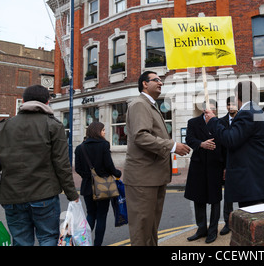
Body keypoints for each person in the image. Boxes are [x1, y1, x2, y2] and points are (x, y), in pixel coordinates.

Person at [0, 85, 79, 246]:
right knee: (47, 238)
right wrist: (72, 194)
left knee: (20, 241)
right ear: (47, 102)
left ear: (23, 101)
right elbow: (62, 164)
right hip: (44, 194)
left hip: (12, 197)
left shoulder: (1, 128)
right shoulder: (53, 126)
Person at [124, 71, 190, 246]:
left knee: (151, 228)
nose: (161, 83)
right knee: (142, 230)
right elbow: (141, 136)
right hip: (142, 179)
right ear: (145, 84)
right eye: (156, 80)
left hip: (154, 178)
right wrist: (173, 146)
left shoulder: (151, 105)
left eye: (161, 80)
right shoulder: (139, 104)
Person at [205, 81, 264, 208]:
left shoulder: (247, 113)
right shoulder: (258, 111)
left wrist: (213, 121)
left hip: (251, 184)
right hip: (258, 182)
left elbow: (231, 140)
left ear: (237, 95)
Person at [74, 121, 122, 246]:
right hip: (103, 187)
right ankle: (97, 244)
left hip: (87, 187)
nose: (105, 132)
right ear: (98, 131)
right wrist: (117, 173)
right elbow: (109, 165)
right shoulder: (104, 145)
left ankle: (84, 242)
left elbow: (78, 168)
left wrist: (88, 176)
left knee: (91, 214)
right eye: (103, 130)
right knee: (101, 216)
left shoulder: (80, 148)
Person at [184, 100, 225, 244]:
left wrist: (225, 167)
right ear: (203, 110)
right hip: (199, 166)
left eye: (213, 109)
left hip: (215, 166)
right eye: (208, 109)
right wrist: (201, 144)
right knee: (198, 198)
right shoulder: (193, 122)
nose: (210, 112)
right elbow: (189, 139)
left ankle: (212, 231)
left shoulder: (220, 123)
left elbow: (225, 145)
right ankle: (201, 229)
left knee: (215, 199)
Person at [218, 96, 238, 235]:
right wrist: (224, 167)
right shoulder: (220, 122)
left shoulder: (243, 121)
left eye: (233, 104)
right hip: (227, 165)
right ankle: (228, 223)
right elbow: (220, 146)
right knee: (228, 197)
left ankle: (244, 222)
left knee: (245, 195)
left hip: (242, 164)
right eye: (228, 104)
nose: (231, 107)